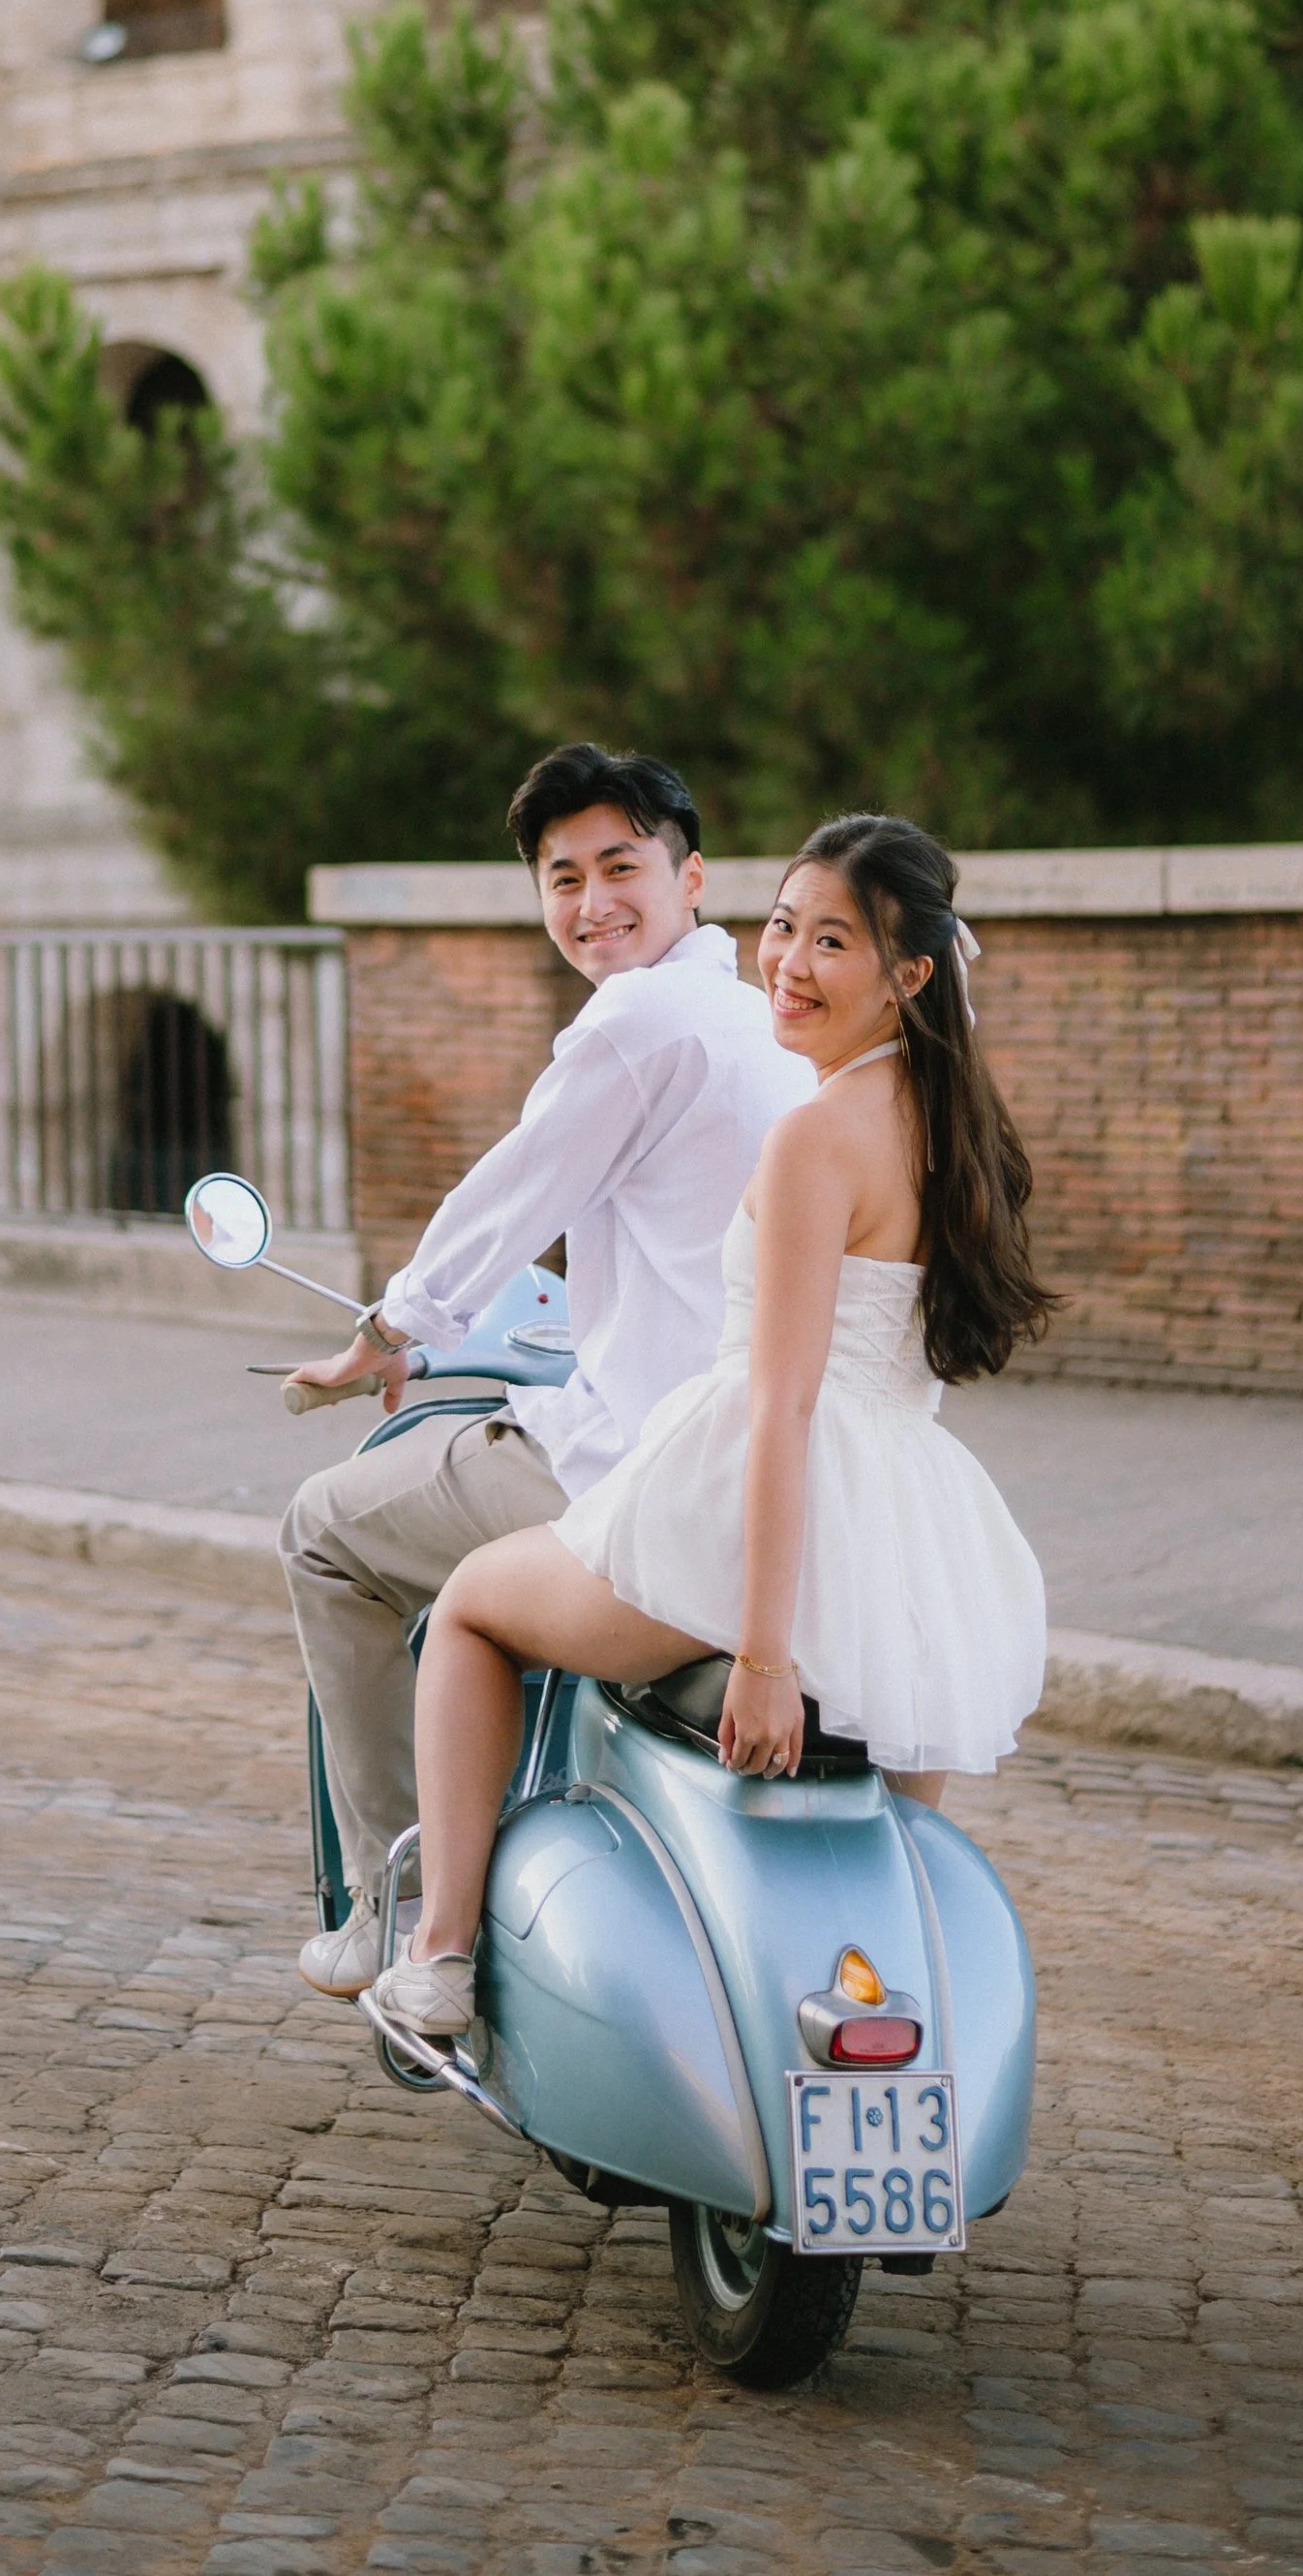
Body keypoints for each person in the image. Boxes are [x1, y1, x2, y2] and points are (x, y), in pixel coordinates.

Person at [365, 811, 1051, 2047]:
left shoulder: (816, 1135)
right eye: (783, 925)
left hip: (761, 1515)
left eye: (832, 940)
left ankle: (441, 1953)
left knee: (468, 1602)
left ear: (907, 973)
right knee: (901, 1853)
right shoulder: (955, 1129)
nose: (788, 962)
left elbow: (782, 1407)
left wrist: (764, 1652)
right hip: (907, 1535)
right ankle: (915, 2042)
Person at [280, 744, 815, 1996]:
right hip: (770, 1477)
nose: (591, 904)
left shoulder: (634, 1020)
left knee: (325, 1531)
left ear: (695, 875)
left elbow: (511, 1193)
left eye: (620, 867)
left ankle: (400, 1906)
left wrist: (389, 1330)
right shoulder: (761, 1022)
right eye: (560, 877)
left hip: (644, 1472)